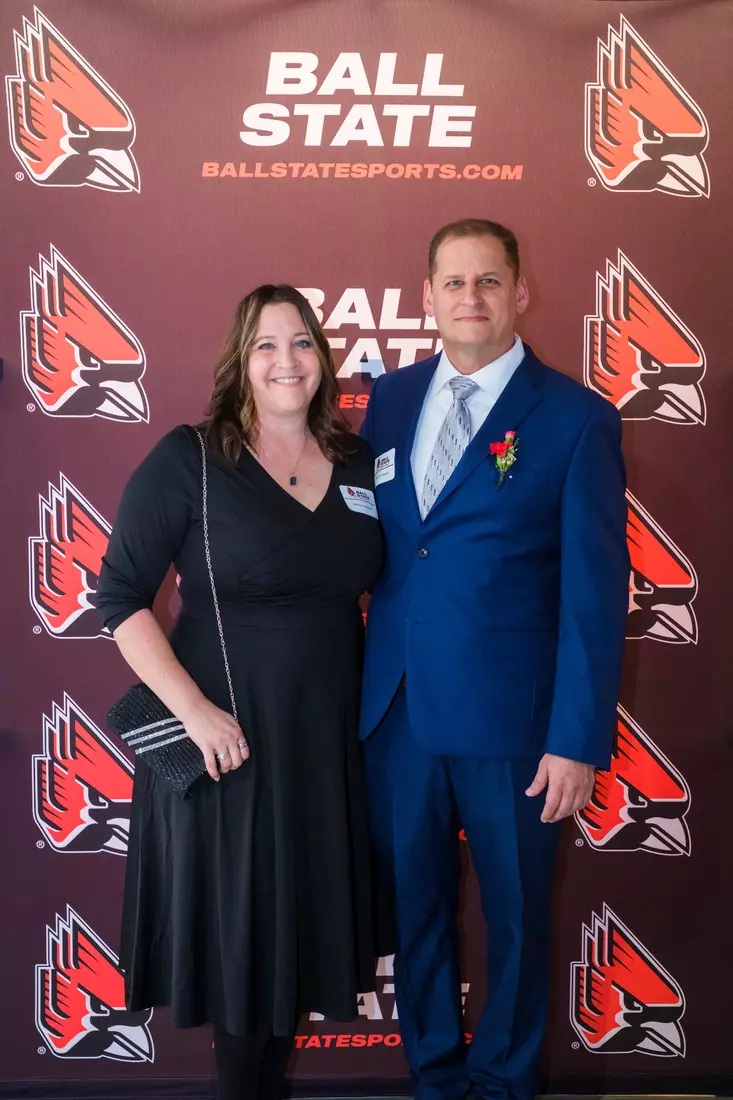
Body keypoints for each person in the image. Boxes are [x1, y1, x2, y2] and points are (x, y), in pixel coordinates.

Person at [360, 219, 630, 1100]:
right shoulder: (387, 401)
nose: (468, 299)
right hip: (397, 713)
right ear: (427, 295)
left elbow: (594, 595)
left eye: (486, 282)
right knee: (417, 912)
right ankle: (435, 1078)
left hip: (517, 727)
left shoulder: (576, 418)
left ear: (519, 293)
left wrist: (577, 739)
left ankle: (504, 1085)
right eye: (451, 282)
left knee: (516, 919)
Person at [96, 284, 387, 1100]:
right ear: (240, 360)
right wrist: (194, 715)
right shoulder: (189, 456)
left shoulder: (362, 462)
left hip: (324, 746)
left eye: (301, 343)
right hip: (226, 745)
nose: (286, 361)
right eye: (266, 345)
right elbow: (118, 598)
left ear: (322, 360)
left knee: (292, 945)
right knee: (242, 956)